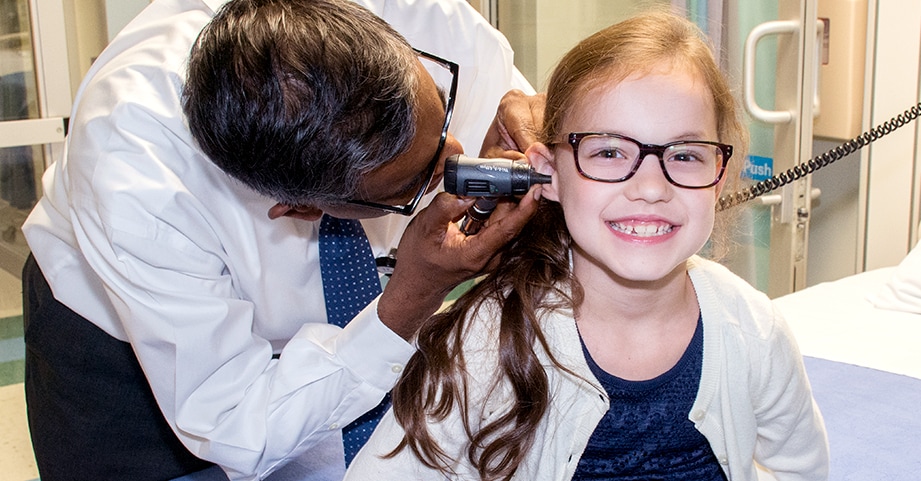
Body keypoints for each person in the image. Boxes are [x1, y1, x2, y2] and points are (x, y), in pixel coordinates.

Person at [20, 0, 543, 479]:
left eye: (441, 109)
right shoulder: (137, 179)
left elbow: (517, 115)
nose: (454, 156)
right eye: (413, 184)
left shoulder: (418, 15)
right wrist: (411, 297)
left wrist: (526, 132)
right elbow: (236, 427)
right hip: (127, 337)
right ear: (300, 208)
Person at [345, 9, 829, 481]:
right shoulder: (488, 337)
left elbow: (802, 468)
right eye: (610, 151)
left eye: (684, 155)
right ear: (547, 174)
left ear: (719, 178)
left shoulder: (755, 332)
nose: (651, 187)